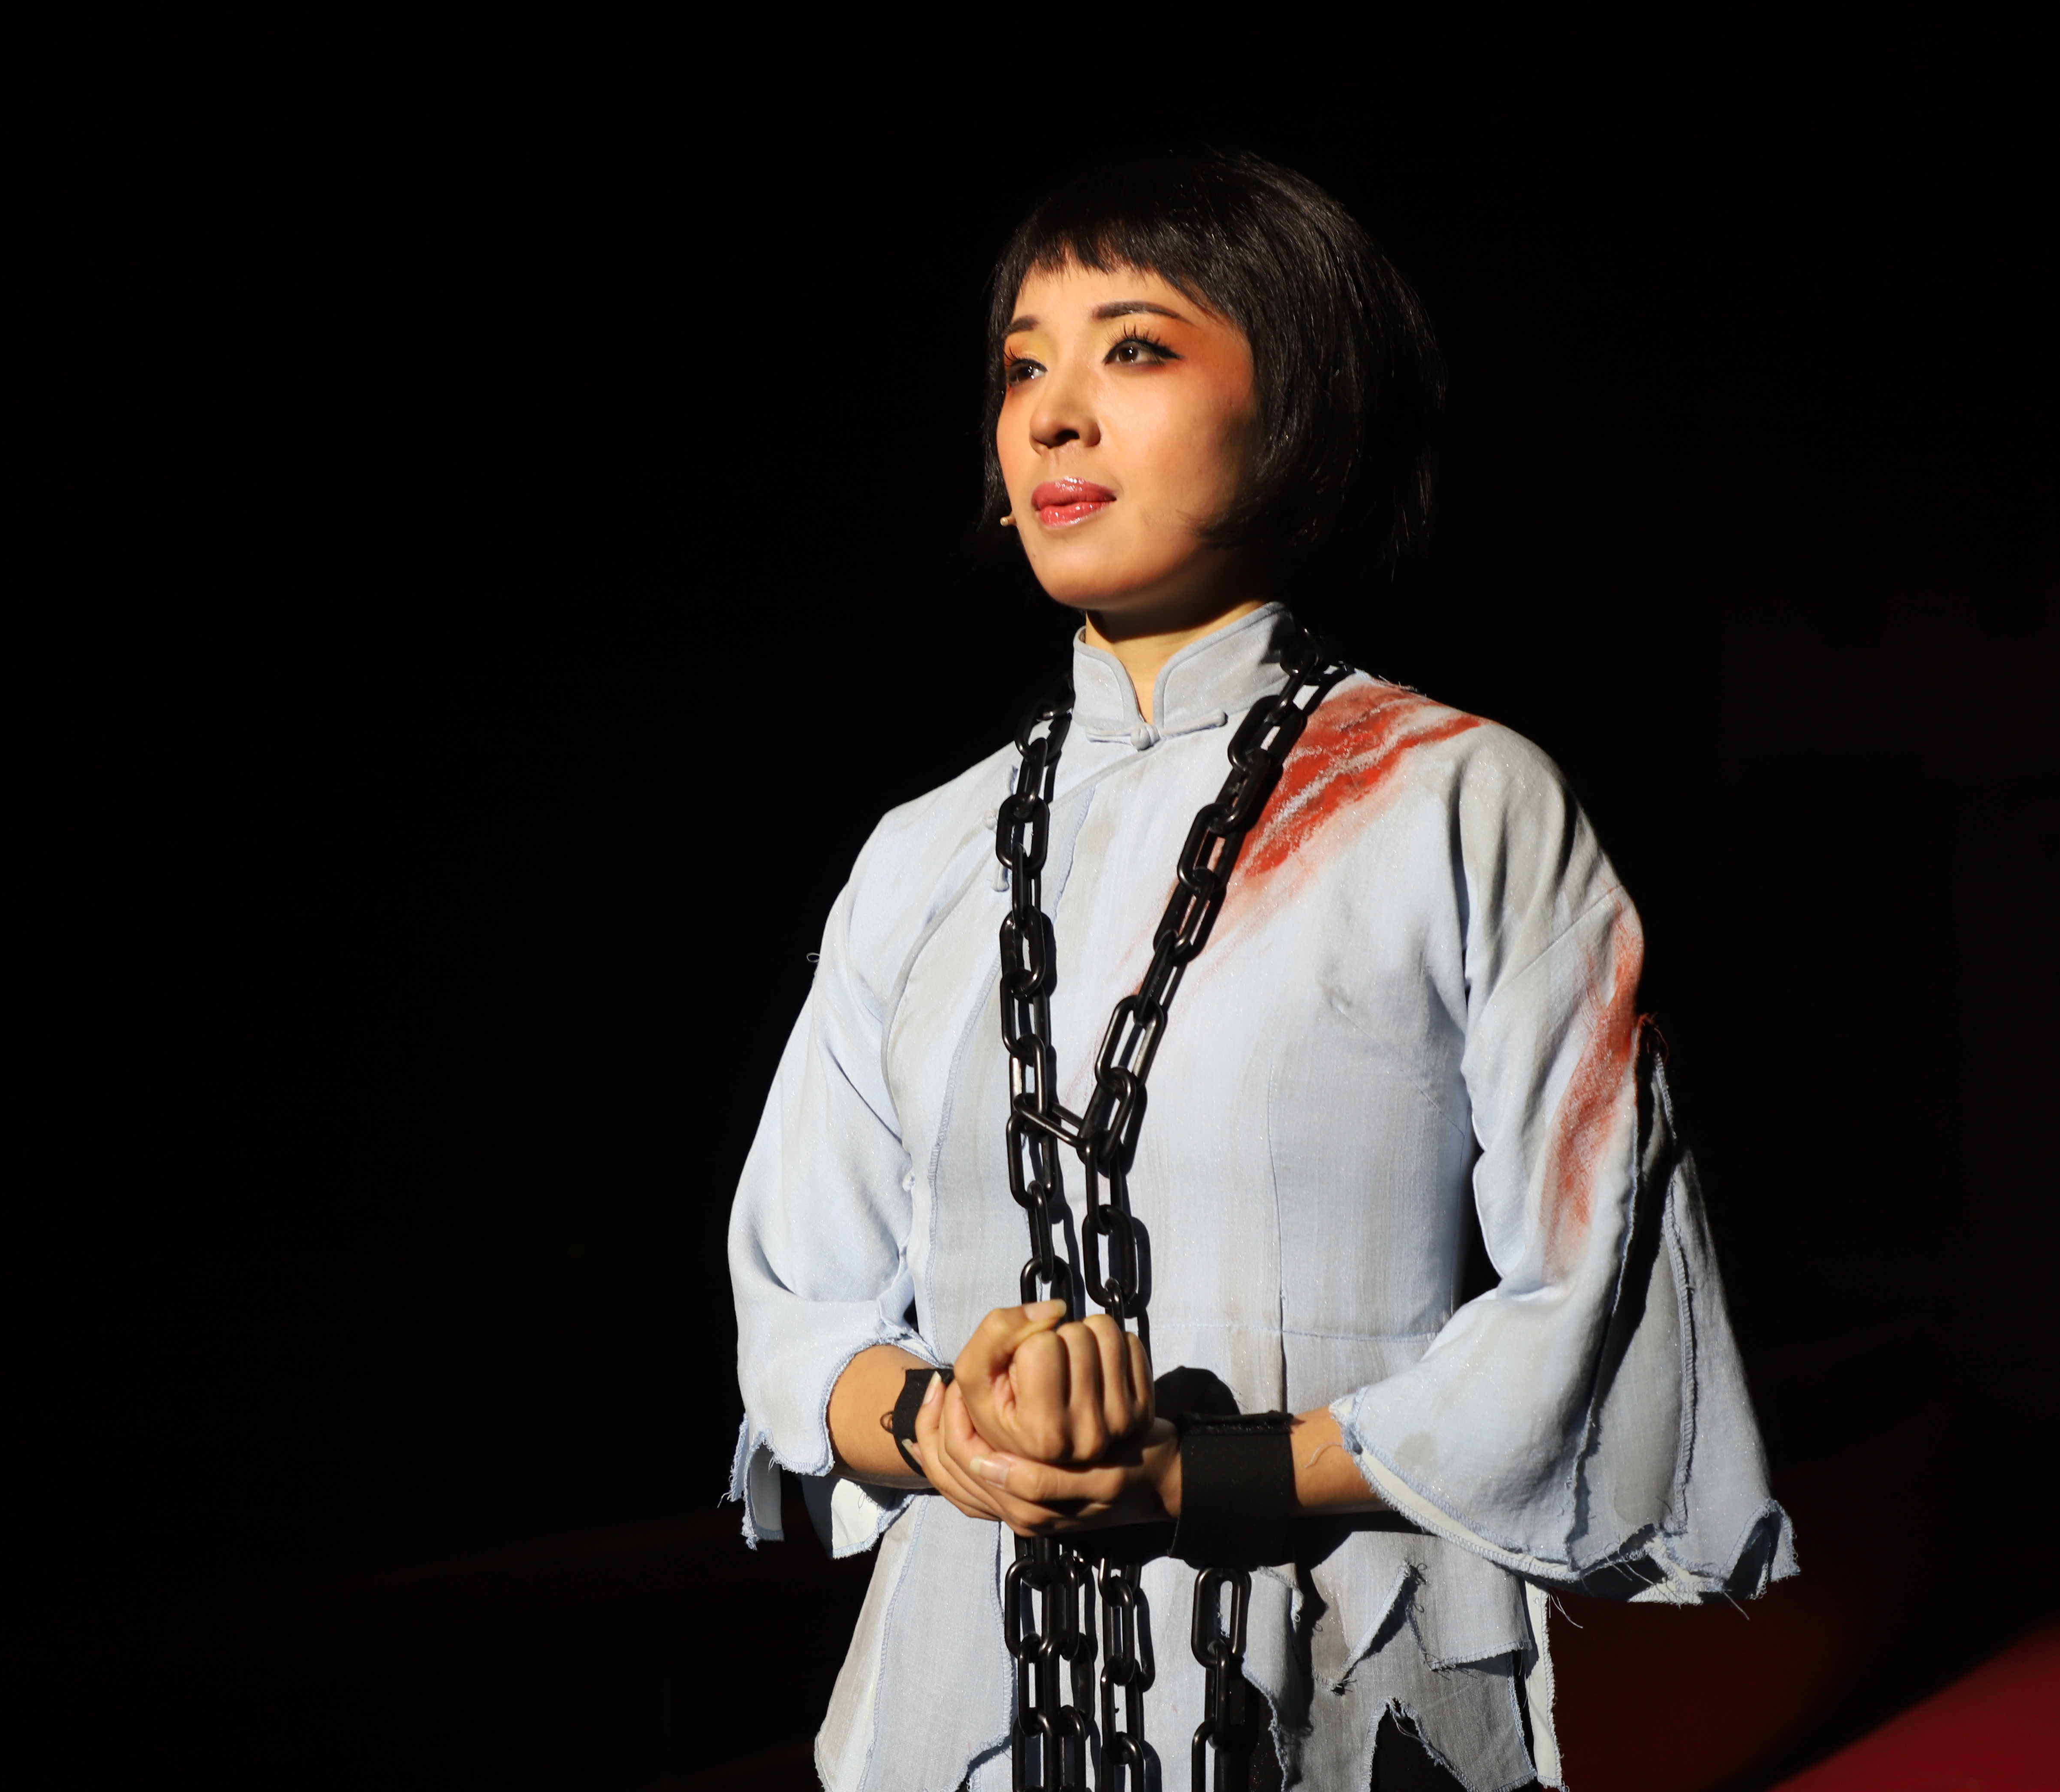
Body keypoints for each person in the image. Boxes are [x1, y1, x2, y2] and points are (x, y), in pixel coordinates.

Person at [727, 151, 1792, 1792]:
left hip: (1347, 1677)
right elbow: (798, 1308)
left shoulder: (1458, 798)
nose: (1054, 416)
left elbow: (1589, 1306)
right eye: (1022, 366)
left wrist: (1200, 1477)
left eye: (1134, 349)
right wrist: (951, 1422)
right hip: (970, 1699)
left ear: (1295, 402)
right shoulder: (919, 855)